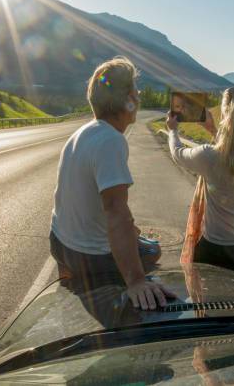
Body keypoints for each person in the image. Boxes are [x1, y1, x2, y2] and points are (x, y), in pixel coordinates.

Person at [50, 56, 176, 310]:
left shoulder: (84, 132)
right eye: (136, 92)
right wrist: (136, 281)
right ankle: (114, 287)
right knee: (152, 251)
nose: (139, 97)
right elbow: (116, 212)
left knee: (136, 236)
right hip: (88, 256)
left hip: (59, 242)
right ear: (128, 99)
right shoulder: (112, 141)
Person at [166, 86, 234, 275]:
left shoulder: (209, 157)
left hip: (219, 247)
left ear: (226, 115)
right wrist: (213, 130)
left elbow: (178, 153)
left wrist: (173, 131)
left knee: (198, 268)